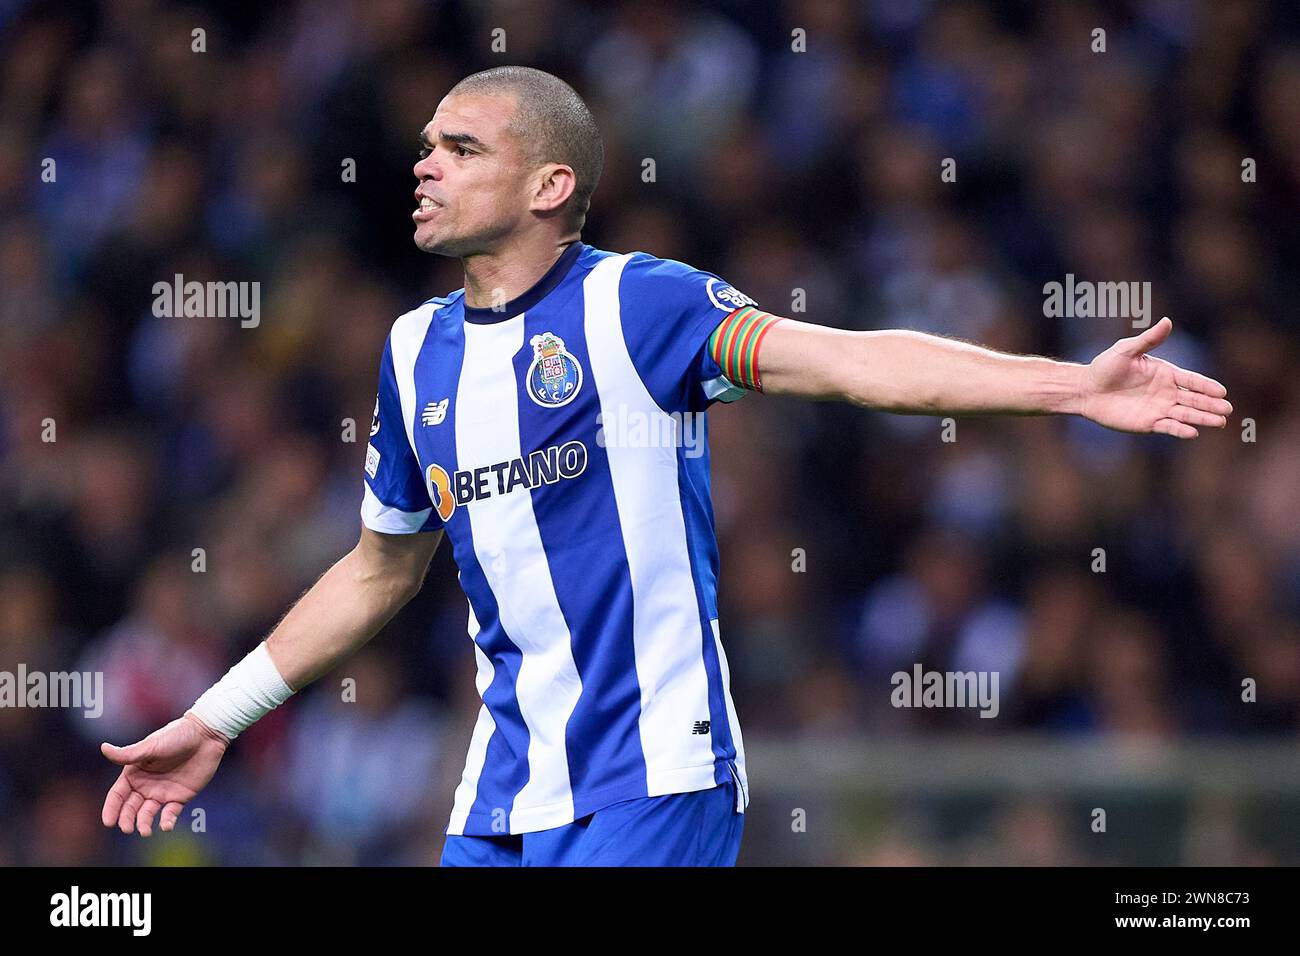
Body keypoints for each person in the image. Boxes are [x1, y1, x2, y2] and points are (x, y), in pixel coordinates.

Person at [99, 66, 1232, 866]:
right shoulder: (410, 350)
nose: (423, 164)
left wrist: (1067, 385)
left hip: (655, 780)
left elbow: (846, 362)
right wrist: (218, 715)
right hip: (499, 790)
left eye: (460, 148)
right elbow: (378, 568)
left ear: (548, 185)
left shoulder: (639, 303)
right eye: (426, 144)